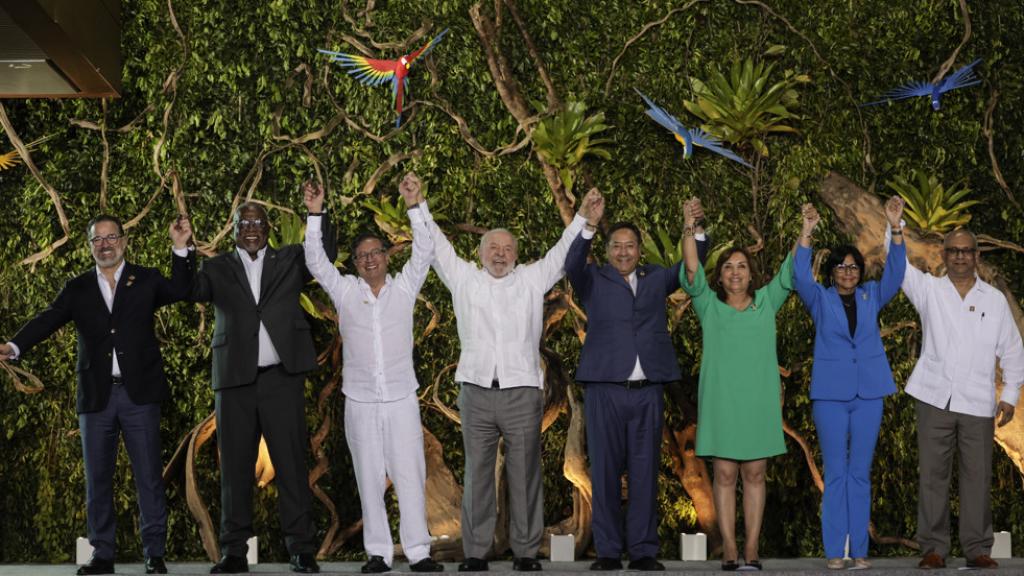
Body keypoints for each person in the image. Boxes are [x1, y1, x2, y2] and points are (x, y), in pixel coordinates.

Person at [0, 214, 194, 576]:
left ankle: (154, 553)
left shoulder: (147, 279)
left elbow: (183, 290)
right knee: (98, 479)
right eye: (97, 239)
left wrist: (181, 248)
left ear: (123, 241)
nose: (105, 244)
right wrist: (13, 345)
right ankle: (102, 554)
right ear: (90, 245)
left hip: (140, 397)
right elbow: (48, 318)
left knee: (149, 477)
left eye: (111, 237)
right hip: (96, 399)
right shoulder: (77, 288)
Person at [426, 186, 597, 572]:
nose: (499, 254)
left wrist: (583, 217)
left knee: (525, 474)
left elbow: (561, 252)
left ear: (516, 255)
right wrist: (417, 205)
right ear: (480, 253)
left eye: (507, 249)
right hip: (476, 392)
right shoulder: (464, 279)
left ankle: (524, 551)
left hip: (522, 394)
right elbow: (436, 246)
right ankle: (476, 553)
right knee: (478, 475)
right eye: (492, 248)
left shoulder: (532, 279)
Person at [302, 173, 443, 574]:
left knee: (410, 477)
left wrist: (416, 204)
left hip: (401, 399)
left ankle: (418, 552)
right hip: (360, 402)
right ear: (356, 263)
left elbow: (426, 250)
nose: (369, 259)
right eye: (361, 255)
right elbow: (315, 260)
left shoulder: (404, 288)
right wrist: (315, 213)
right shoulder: (345, 291)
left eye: (375, 252)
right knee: (368, 479)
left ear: (386, 255)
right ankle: (378, 553)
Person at [190, 194, 336, 574]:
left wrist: (316, 213)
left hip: (282, 379)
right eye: (244, 224)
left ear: (268, 228)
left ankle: (301, 549)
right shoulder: (216, 267)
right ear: (233, 230)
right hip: (235, 382)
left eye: (258, 223)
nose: (251, 229)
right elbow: (190, 289)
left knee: (290, 463)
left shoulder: (289, 259)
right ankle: (233, 552)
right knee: (235, 469)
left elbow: (326, 255)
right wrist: (182, 249)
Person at [564, 192, 709, 571]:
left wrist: (696, 227)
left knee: (645, 472)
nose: (624, 252)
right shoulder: (592, 279)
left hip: (648, 393)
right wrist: (588, 224)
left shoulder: (655, 278)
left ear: (639, 250)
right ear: (607, 249)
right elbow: (572, 260)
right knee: (606, 472)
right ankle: (609, 551)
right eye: (617, 246)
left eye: (630, 246)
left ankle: (644, 549)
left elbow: (694, 265)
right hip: (604, 391)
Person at [680, 199, 805, 571]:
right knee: (724, 473)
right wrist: (688, 226)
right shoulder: (707, 305)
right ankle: (730, 550)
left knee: (754, 474)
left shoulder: (767, 303)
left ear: (752, 275)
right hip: (721, 403)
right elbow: (690, 266)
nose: (735, 273)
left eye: (742, 267)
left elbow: (790, 268)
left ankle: (752, 549)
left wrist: (806, 232)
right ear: (719, 277)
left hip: (758, 403)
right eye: (729, 268)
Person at [901, 226, 1024, 570]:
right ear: (943, 254)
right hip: (933, 397)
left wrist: (1011, 394)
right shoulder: (928, 290)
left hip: (977, 402)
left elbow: (1013, 350)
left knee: (977, 477)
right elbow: (899, 269)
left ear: (976, 256)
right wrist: (895, 228)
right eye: (953, 250)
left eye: (966, 250)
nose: (959, 256)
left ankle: (977, 548)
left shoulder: (994, 300)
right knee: (932, 476)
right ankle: (933, 548)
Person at [792, 198, 906, 570]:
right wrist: (807, 232)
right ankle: (832, 552)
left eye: (853, 267)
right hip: (830, 395)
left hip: (869, 393)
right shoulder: (819, 299)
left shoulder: (872, 295)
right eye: (841, 267)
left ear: (860, 271)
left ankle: (859, 551)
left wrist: (896, 227)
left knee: (860, 472)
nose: (847, 271)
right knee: (836, 473)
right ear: (832, 272)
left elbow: (895, 273)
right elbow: (797, 275)